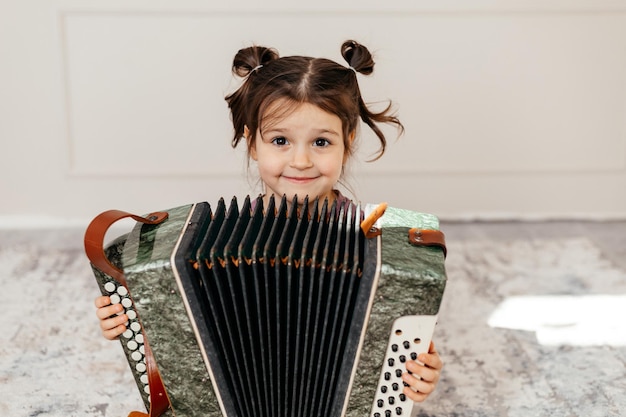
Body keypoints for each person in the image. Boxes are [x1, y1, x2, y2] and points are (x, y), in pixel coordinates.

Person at [94, 40, 443, 404]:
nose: (301, 160)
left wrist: (421, 370)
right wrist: (132, 315)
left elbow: (402, 342)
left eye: (322, 142)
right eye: (280, 140)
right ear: (252, 144)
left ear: (348, 142)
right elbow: (177, 338)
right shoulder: (213, 244)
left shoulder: (375, 251)